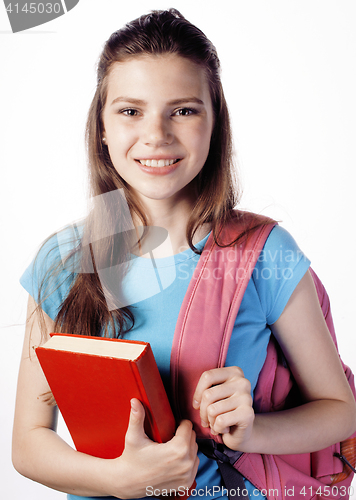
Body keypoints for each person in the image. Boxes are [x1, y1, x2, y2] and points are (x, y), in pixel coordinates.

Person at [12, 8, 356, 500]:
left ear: (215, 122)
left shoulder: (263, 254)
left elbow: (339, 411)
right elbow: (28, 441)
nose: (157, 135)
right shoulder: (62, 260)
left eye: (184, 110)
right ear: (102, 129)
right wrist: (119, 480)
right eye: (130, 111)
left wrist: (253, 431)